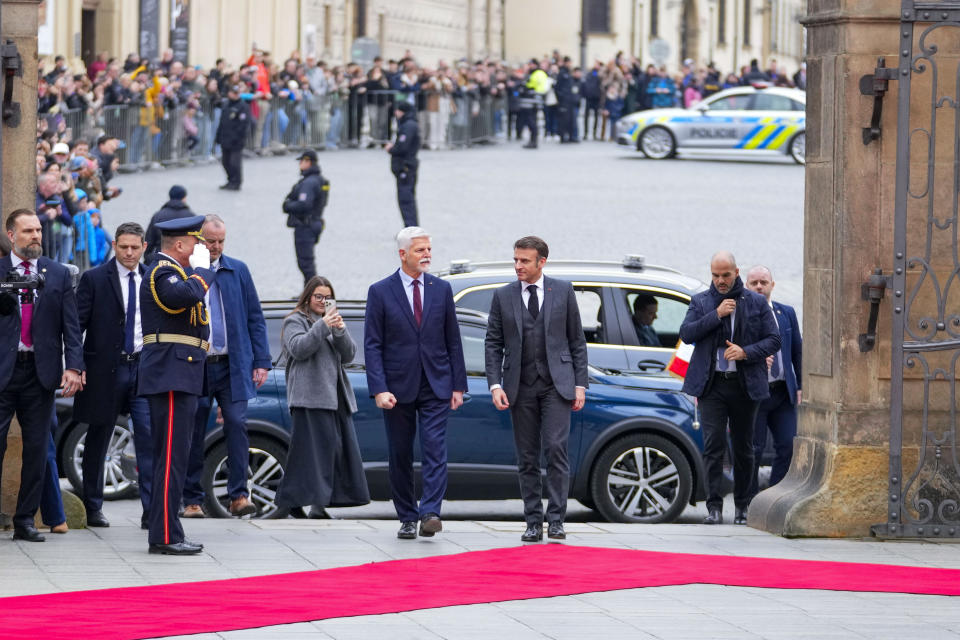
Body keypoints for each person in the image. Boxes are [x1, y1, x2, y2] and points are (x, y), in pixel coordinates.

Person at [364, 227, 467, 540]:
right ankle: (407, 516)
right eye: (420, 250)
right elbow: (373, 344)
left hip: (436, 383)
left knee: (436, 449)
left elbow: (453, 339)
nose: (427, 256)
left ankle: (431, 512)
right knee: (400, 453)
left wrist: (458, 385)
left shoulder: (441, 288)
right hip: (397, 387)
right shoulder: (380, 291)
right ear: (403, 254)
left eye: (429, 250)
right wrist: (379, 388)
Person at [483, 236, 588, 542]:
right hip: (520, 385)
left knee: (556, 449)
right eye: (515, 260)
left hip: (557, 384)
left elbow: (577, 341)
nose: (518, 266)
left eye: (524, 261)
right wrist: (494, 385)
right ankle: (532, 521)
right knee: (527, 456)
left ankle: (556, 519)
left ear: (541, 262)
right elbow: (493, 343)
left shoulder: (563, 291)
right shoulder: (502, 296)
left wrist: (580, 384)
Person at [678, 251, 780, 525]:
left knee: (744, 448)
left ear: (736, 272)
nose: (720, 281)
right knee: (713, 446)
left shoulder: (756, 302)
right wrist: (716, 314)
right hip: (712, 386)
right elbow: (686, 334)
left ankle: (743, 506)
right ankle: (713, 507)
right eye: (715, 275)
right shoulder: (701, 301)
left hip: (745, 386)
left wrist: (746, 352)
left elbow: (774, 340)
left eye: (725, 275)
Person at [0, 209, 84, 542]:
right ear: (11, 235)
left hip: (40, 373)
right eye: (28, 231)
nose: (36, 235)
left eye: (38, 230)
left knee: (37, 449)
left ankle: (25, 520)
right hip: (3, 372)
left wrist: (74, 366)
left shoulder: (58, 273)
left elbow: (71, 326)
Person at [181, 215, 271, 519]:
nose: (216, 246)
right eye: (211, 241)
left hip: (231, 365)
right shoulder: (187, 270)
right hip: (196, 365)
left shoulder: (238, 270)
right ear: (199, 239)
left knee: (236, 424)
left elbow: (255, 318)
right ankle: (192, 499)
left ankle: (239, 496)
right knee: (193, 430)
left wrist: (261, 361)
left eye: (221, 241)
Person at [138, 215, 216, 555]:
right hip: (170, 371)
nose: (202, 248)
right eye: (196, 242)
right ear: (180, 245)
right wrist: (203, 272)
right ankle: (165, 535)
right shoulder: (161, 272)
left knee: (176, 457)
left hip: (182, 371)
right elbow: (177, 299)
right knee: (170, 457)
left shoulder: (178, 273)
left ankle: (169, 530)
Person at [74, 222, 153, 530]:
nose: (129, 253)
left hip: (143, 369)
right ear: (115, 246)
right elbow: (77, 325)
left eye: (135, 247)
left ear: (144, 246)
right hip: (105, 369)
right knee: (98, 437)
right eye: (123, 247)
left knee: (149, 438)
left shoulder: (152, 278)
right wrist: (76, 366)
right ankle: (93, 506)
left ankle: (151, 511)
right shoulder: (94, 279)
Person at [276, 276, 370, 518]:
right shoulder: (295, 320)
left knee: (330, 450)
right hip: (308, 397)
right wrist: (323, 326)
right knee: (312, 452)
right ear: (308, 296)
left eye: (328, 297)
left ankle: (300, 502)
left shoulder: (331, 321)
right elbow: (299, 349)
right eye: (319, 296)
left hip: (335, 396)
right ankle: (308, 503)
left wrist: (339, 330)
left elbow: (348, 355)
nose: (323, 301)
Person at [745, 265, 802, 497]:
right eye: (754, 282)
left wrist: (800, 386)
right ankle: (748, 501)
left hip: (781, 393)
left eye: (763, 282)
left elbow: (797, 351)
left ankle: (774, 496)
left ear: (772, 285)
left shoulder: (786, 313)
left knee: (788, 445)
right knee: (753, 450)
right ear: (747, 286)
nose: (759, 286)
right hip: (754, 394)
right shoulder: (741, 315)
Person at [282, 150, 330, 285]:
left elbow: (304, 204)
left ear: (308, 162)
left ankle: (313, 293)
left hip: (305, 225)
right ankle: (309, 292)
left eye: (301, 161)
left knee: (305, 263)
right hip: (315, 223)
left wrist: (287, 205)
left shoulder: (309, 183)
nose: (300, 164)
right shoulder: (320, 180)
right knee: (307, 262)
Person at [386, 102, 420, 228]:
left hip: (405, 167)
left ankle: (411, 229)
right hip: (407, 166)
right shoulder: (409, 124)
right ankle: (411, 227)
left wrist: (391, 149)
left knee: (406, 200)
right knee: (407, 199)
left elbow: (402, 147)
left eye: (398, 110)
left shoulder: (408, 126)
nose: (396, 113)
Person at [215, 84, 252, 191]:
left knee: (234, 162)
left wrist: (239, 138)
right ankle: (230, 180)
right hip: (225, 137)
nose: (235, 95)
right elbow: (222, 122)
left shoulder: (243, 106)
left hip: (236, 139)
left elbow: (244, 124)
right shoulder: (226, 105)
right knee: (225, 162)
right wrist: (218, 136)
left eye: (237, 93)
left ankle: (236, 182)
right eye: (233, 93)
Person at [144, 185, 193, 264]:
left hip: (161, 260)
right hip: (184, 261)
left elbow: (149, 241)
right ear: (184, 198)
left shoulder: (158, 216)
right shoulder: (191, 216)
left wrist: (148, 258)